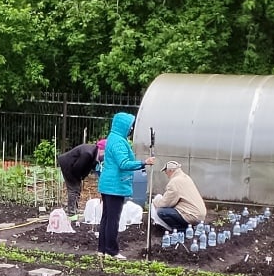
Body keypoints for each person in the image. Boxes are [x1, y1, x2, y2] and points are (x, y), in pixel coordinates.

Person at [96, 111, 153, 259]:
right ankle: (112, 251)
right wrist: (143, 162)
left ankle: (102, 249)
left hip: (108, 184)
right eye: (130, 127)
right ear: (124, 127)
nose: (131, 129)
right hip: (115, 186)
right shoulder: (119, 142)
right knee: (113, 219)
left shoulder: (113, 138)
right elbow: (123, 164)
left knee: (106, 218)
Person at [151, 160, 206, 232]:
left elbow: (165, 203)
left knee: (161, 212)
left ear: (170, 171)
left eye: (166, 171)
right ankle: (190, 227)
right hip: (200, 214)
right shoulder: (186, 178)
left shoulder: (174, 182)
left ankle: (181, 230)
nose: (166, 174)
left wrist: (155, 202)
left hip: (191, 215)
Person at [56, 137, 107, 214]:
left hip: (73, 166)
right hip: (68, 165)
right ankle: (71, 212)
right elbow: (77, 168)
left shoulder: (93, 154)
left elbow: (90, 167)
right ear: (101, 149)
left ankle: (74, 209)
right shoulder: (88, 154)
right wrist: (79, 178)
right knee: (74, 189)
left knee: (77, 188)